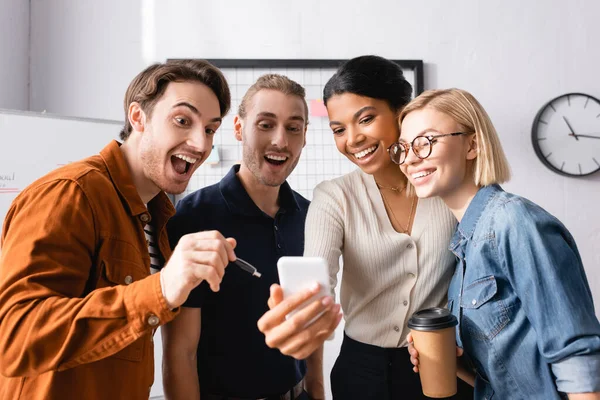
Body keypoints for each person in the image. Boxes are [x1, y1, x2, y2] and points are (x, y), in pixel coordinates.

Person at [0, 59, 237, 400]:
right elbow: (15, 337)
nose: (201, 144)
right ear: (138, 117)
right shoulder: (71, 193)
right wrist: (162, 288)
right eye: (182, 121)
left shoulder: (160, 217)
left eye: (211, 129)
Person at [400, 88, 600, 400]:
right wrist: (448, 361)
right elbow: (499, 381)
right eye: (403, 148)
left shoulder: (514, 221)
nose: (410, 158)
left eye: (426, 141)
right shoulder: (465, 242)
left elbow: (576, 356)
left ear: (472, 144)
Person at [293, 55, 473, 399]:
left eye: (366, 119)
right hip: (363, 371)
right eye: (339, 130)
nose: (353, 139)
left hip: (444, 361)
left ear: (401, 113)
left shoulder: (448, 185)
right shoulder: (334, 197)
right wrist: (306, 315)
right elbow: (318, 280)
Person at [163, 74, 342, 400]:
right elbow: (180, 353)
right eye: (265, 124)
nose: (280, 141)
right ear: (237, 128)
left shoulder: (312, 215)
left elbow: (311, 321)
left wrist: (316, 392)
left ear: (304, 137)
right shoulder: (194, 216)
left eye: (293, 127)